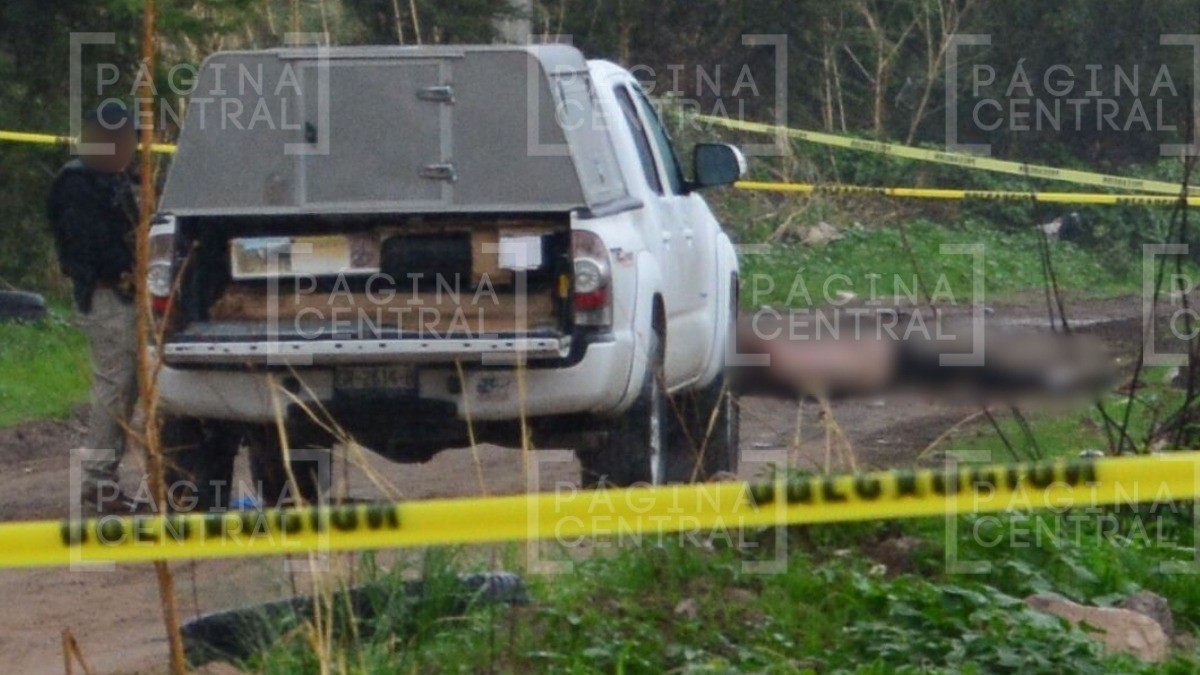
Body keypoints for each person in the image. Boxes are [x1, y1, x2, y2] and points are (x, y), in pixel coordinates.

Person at [46, 103, 141, 513]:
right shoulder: (78, 183)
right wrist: (127, 268)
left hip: (125, 293)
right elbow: (87, 246)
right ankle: (97, 482)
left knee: (127, 385)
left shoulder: (110, 177)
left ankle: (104, 481)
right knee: (115, 385)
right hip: (106, 295)